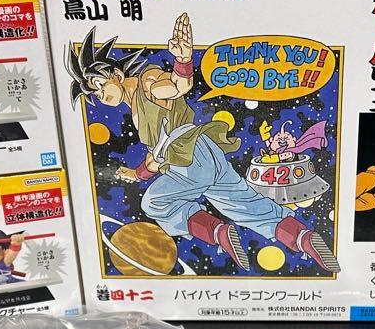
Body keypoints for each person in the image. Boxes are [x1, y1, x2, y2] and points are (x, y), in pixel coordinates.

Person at [64, 16, 339, 273]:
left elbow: (176, 87)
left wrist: (183, 61)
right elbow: (155, 158)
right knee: (246, 205)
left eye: (99, 84)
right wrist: (137, 174)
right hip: (205, 152)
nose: (100, 94)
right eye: (94, 93)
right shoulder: (136, 107)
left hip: (189, 158)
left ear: (116, 74)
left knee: (155, 202)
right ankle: (303, 238)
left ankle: (217, 232)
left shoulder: (147, 82)